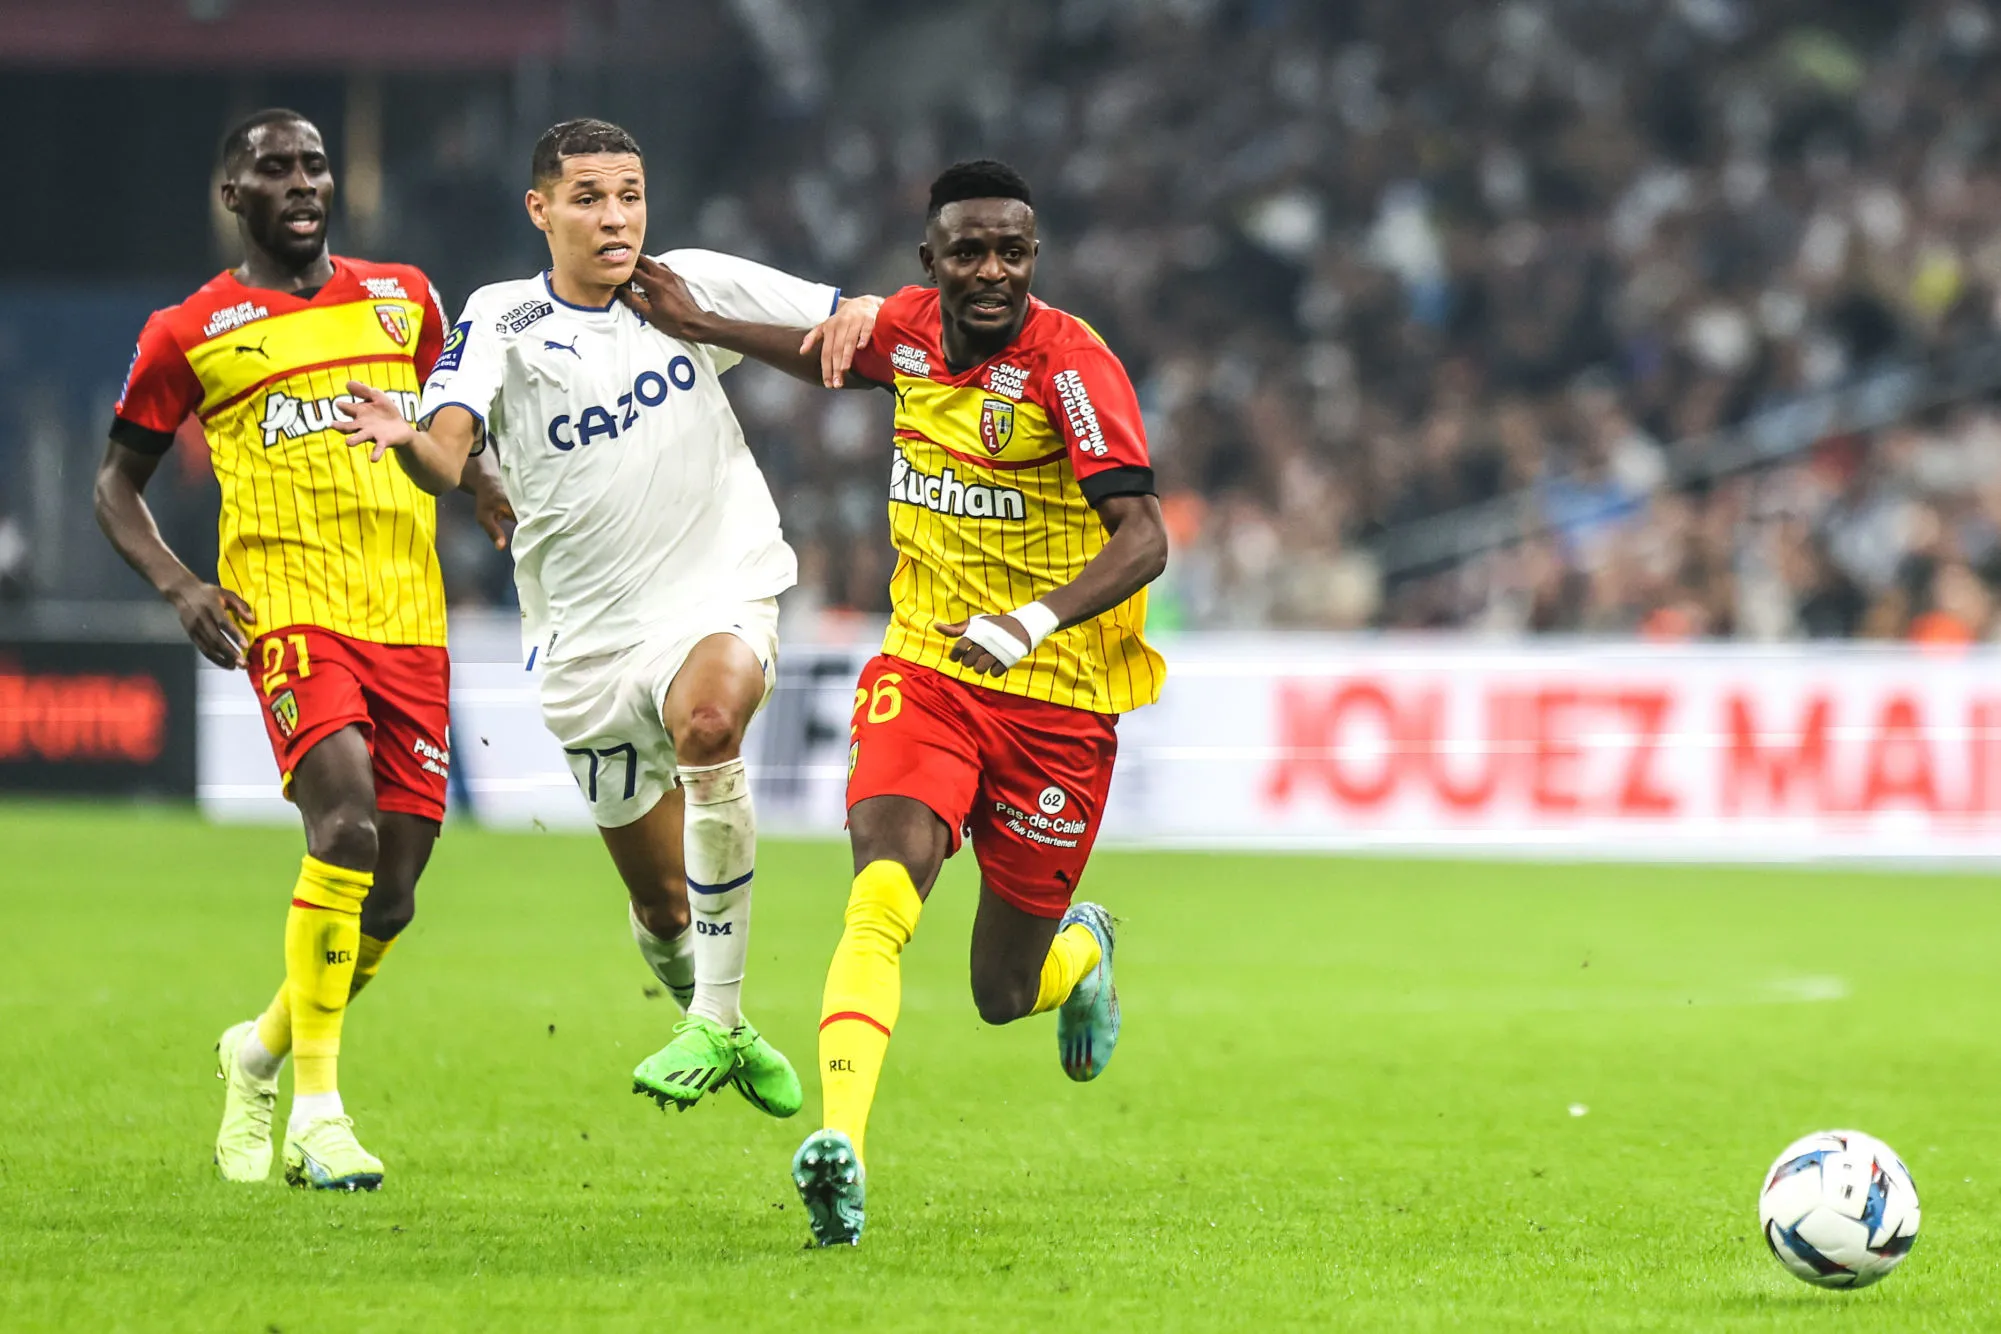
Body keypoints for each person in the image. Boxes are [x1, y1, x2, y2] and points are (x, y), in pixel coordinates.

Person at [613, 158, 1169, 1245]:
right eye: (969, 249)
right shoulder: (909, 331)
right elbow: (823, 355)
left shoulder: (1073, 366)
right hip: (926, 670)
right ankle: (843, 1145)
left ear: (1035, 258)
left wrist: (1031, 620)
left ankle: (1085, 951)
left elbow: (1144, 536)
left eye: (1013, 250)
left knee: (1003, 989)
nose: (992, 269)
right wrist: (699, 319)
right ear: (932, 260)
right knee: (884, 886)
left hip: (1056, 695)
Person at [335, 118, 879, 1117]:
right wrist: (409, 437)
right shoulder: (499, 318)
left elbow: (849, 322)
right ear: (540, 209)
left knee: (711, 726)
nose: (615, 215)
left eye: (629, 192)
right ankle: (718, 1015)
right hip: (586, 644)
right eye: (588, 196)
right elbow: (449, 451)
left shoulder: (688, 284)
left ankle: (715, 1014)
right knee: (663, 905)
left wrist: (889, 313)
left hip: (720, 583)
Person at [93, 108, 505, 1191]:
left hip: (410, 616)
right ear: (234, 193)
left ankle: (259, 1051)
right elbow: (114, 484)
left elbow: (455, 422)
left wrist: (487, 472)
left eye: (315, 164)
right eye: (275, 168)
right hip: (288, 611)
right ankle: (321, 1114)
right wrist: (181, 584)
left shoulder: (405, 295)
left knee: (395, 892)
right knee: (346, 822)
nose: (303, 181)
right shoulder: (192, 328)